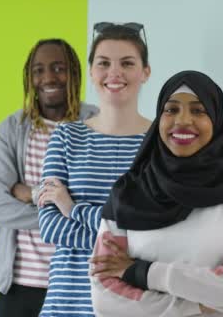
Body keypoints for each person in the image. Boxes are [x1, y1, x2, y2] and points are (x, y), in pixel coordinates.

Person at [88, 70, 223, 316]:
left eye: (198, 110)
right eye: (171, 110)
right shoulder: (128, 194)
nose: (183, 120)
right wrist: (203, 305)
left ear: (216, 120)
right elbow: (106, 300)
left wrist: (142, 273)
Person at [36, 23, 152, 317]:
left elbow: (153, 234)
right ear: (91, 72)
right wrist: (123, 245)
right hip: (67, 303)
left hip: (135, 305)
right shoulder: (65, 137)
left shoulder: (160, 146)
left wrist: (72, 208)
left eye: (127, 63)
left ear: (145, 72)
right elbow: (49, 226)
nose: (115, 72)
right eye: (103, 63)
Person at [0, 38, 98, 317]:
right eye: (39, 70)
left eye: (59, 68)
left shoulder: (98, 124)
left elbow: (107, 205)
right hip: (21, 285)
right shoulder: (10, 130)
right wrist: (62, 207)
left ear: (74, 73)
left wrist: (26, 193)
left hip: (81, 282)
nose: (48, 77)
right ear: (29, 77)